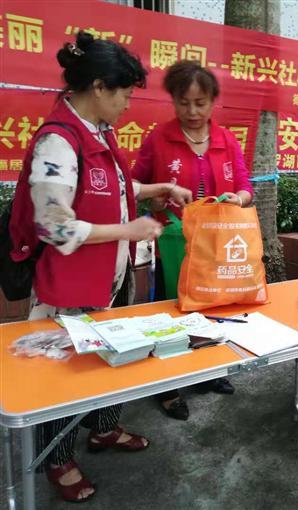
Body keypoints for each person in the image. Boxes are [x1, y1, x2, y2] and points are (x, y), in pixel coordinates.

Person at [9, 32, 193, 503]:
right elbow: (54, 226)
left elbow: (115, 186)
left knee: (115, 355)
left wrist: (157, 189)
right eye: (125, 94)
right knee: (66, 374)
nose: (128, 104)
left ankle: (105, 428)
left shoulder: (98, 131)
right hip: (68, 285)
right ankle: (57, 457)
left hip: (109, 277)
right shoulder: (58, 141)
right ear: (98, 87)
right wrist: (129, 230)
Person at [134, 60, 253, 420]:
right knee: (172, 310)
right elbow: (134, 185)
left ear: (213, 101)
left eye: (200, 103)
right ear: (173, 100)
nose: (192, 111)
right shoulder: (159, 138)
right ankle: (169, 386)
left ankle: (207, 372)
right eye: (183, 103)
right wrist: (155, 200)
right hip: (173, 241)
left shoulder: (226, 140)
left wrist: (238, 199)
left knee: (212, 306)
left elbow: (245, 186)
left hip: (216, 241)